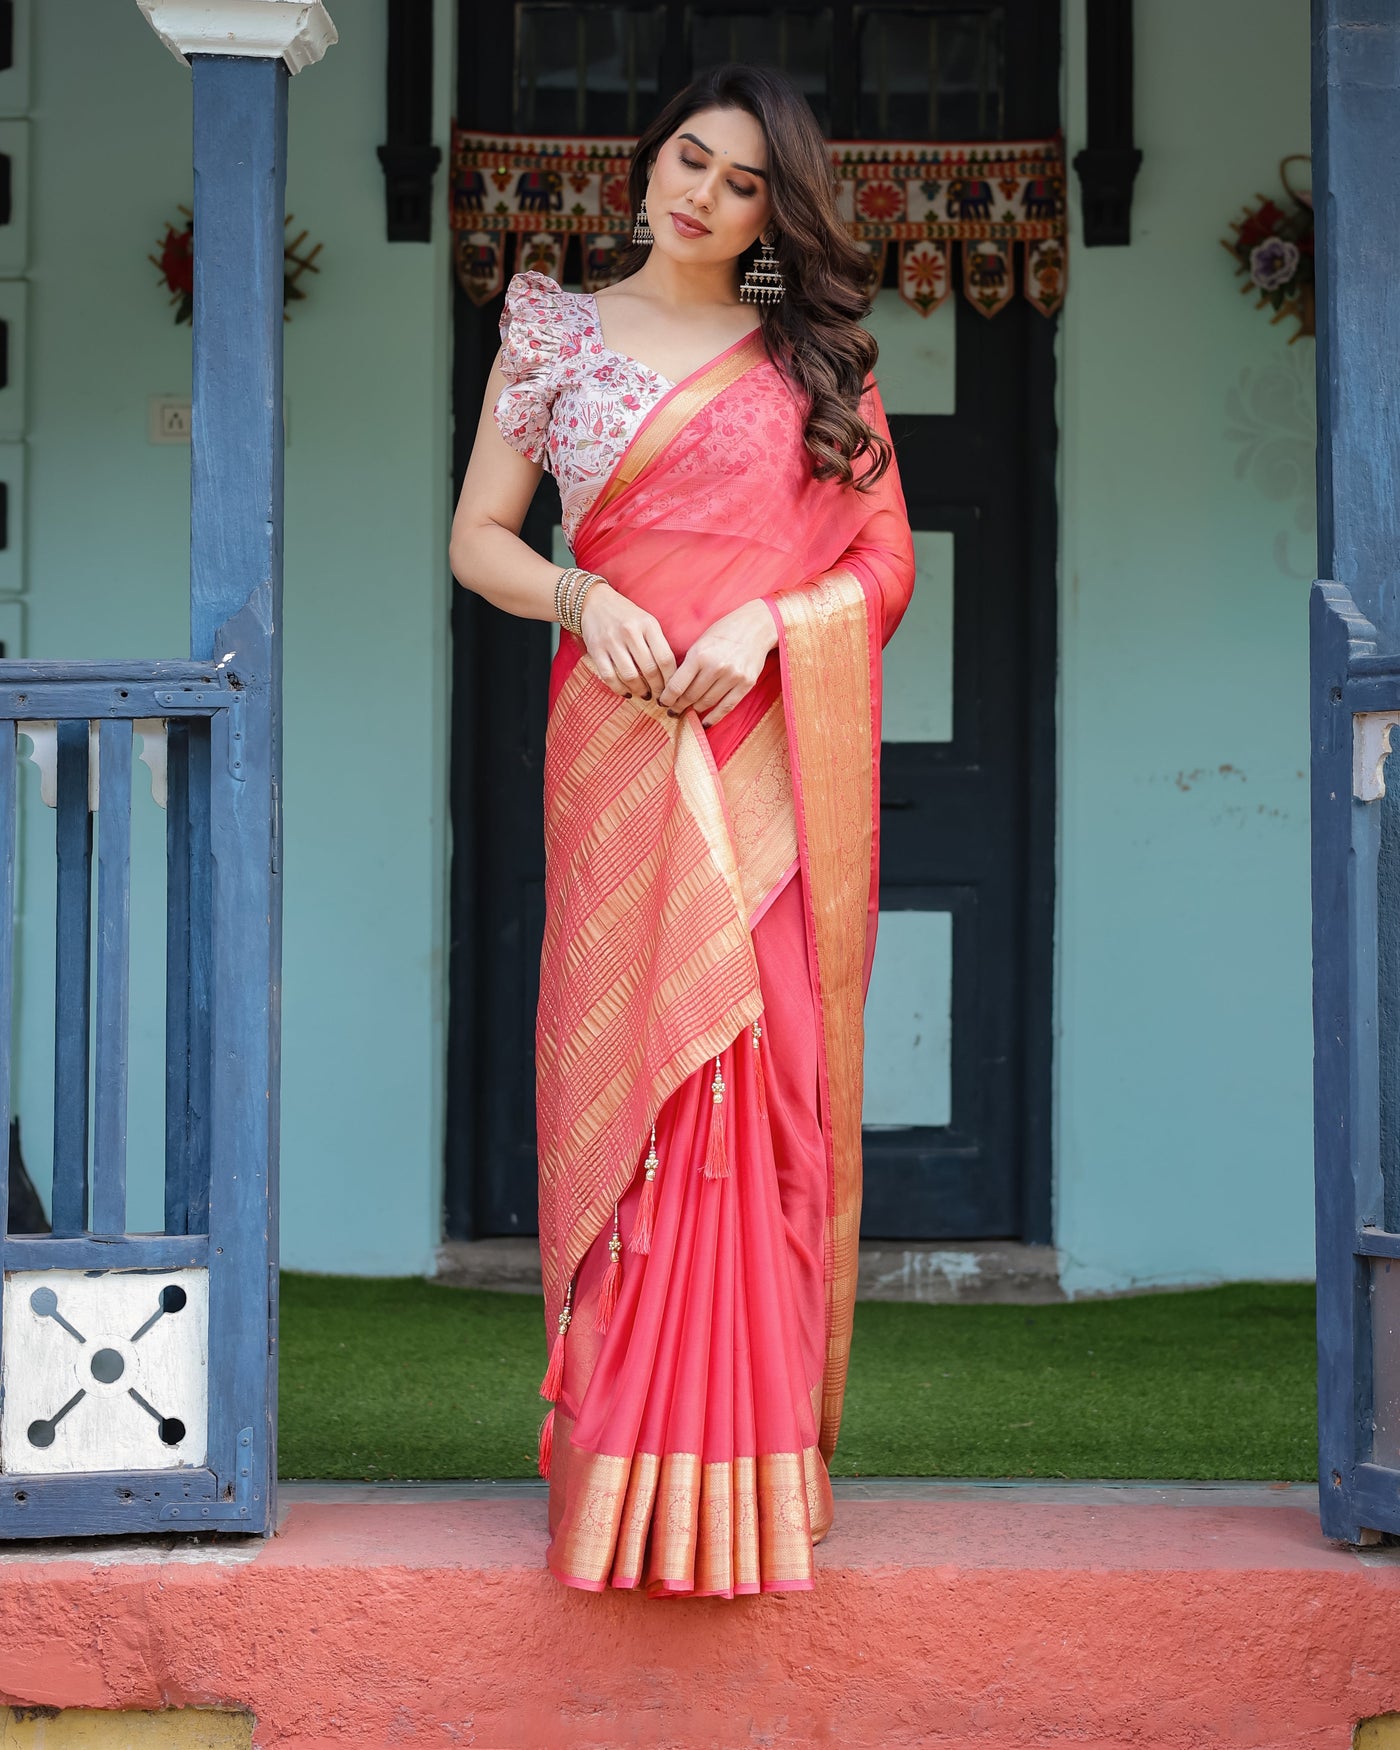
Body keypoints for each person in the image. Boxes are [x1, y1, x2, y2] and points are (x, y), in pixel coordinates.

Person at [449, 62, 915, 1598]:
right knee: (633, 1082)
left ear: (777, 210)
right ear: (648, 158)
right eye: (686, 159)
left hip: (761, 770)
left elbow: (884, 569)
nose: (698, 194)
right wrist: (583, 592)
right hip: (617, 742)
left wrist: (779, 623)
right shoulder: (553, 331)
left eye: (737, 181)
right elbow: (479, 542)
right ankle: (624, 1471)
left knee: (752, 1078)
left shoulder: (818, 360)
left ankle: (748, 1470)